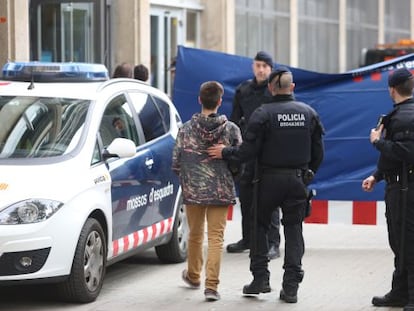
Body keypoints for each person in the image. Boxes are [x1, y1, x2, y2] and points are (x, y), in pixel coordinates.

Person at [208, 67, 324, 303]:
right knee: (294, 231)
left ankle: (260, 279)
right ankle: (291, 287)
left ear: (271, 88)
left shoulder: (262, 114)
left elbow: (248, 152)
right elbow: (318, 153)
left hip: (267, 181)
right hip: (297, 180)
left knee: (259, 226)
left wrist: (226, 152)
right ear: (292, 87)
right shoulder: (308, 113)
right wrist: (308, 173)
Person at [172, 81, 242, 301]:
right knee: (216, 238)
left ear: (199, 100)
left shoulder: (185, 129)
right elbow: (240, 161)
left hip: (193, 193)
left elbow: (175, 163)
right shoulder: (230, 129)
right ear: (220, 102)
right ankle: (211, 287)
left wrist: (190, 178)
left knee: (195, 234)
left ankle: (193, 275)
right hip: (220, 192)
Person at [362, 67, 414, 311]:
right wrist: (377, 175)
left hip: (406, 189)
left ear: (392, 89)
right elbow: (397, 156)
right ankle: (400, 292)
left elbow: (406, 152)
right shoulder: (398, 115)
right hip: (399, 184)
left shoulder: (404, 117)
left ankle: (410, 296)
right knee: (400, 241)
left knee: (407, 241)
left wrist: (377, 142)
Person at [227, 51, 281, 260]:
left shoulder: (276, 91)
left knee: (271, 199)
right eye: (258, 65)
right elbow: (234, 121)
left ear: (271, 69)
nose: (260, 70)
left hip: (270, 153)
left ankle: (273, 243)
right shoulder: (243, 90)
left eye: (265, 66)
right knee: (247, 197)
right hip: (248, 152)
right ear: (252, 67)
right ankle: (248, 239)